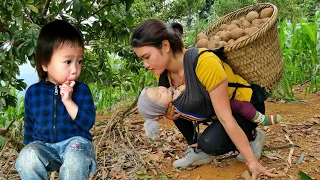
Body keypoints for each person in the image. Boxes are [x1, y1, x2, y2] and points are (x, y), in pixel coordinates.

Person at [130, 18, 278, 179]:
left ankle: (253, 136)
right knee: (170, 103)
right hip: (212, 109)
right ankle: (198, 151)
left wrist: (252, 162)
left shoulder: (204, 63)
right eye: (141, 59)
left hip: (244, 108)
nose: (145, 64)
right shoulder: (164, 76)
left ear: (165, 46)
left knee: (210, 144)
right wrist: (170, 114)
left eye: (147, 57)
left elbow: (225, 116)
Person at [15, 20, 97, 180]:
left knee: (75, 161)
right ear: (45, 64)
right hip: (44, 147)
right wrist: (30, 152)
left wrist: (69, 102)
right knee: (28, 157)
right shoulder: (33, 93)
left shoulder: (82, 91)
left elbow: (88, 123)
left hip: (76, 145)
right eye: (68, 62)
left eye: (79, 61)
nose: (75, 69)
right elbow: (29, 127)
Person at [138, 85, 281, 129]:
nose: (161, 90)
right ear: (161, 108)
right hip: (216, 105)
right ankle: (261, 119)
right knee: (241, 106)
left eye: (157, 89)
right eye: (158, 96)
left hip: (217, 94)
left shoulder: (173, 91)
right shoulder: (180, 103)